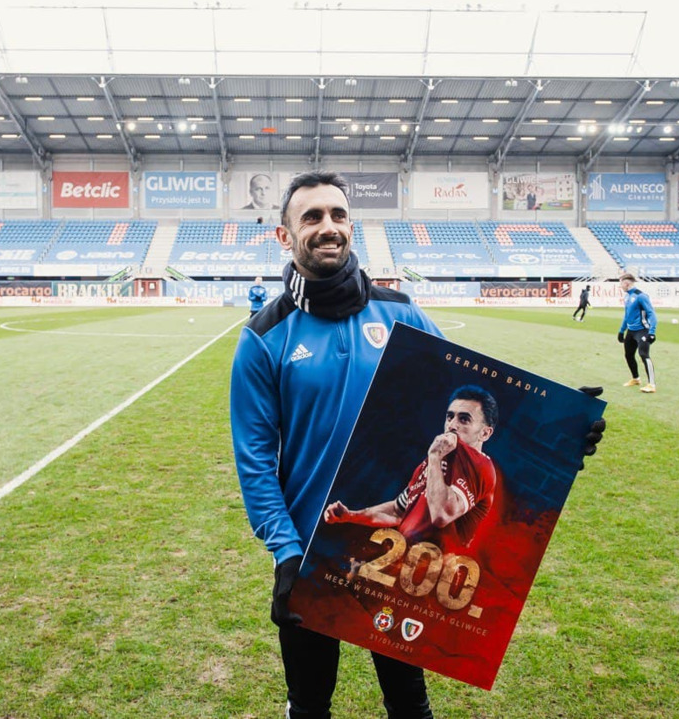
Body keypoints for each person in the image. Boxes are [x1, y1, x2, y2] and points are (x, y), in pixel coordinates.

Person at [231, 170, 606, 718]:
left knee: (409, 704)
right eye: (311, 217)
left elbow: (473, 391)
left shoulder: (400, 313)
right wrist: (286, 553)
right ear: (284, 236)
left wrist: (563, 427)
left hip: (403, 557)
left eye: (338, 215)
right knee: (309, 706)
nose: (328, 226)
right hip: (311, 553)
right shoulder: (264, 338)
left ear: (351, 226)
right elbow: (255, 464)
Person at [322, 385, 498, 551]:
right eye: (449, 417)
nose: (452, 425)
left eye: (464, 419)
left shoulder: (480, 465)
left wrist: (435, 456)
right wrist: (351, 516)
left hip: (440, 567)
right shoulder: (431, 464)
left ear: (485, 433)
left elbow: (441, 515)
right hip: (404, 562)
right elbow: (397, 510)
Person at [617, 272, 657, 393]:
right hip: (631, 331)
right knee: (628, 355)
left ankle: (651, 384)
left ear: (626, 283)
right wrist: (621, 331)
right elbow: (627, 315)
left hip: (642, 331)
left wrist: (652, 332)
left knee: (644, 354)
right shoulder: (627, 297)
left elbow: (651, 313)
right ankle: (636, 379)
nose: (620, 286)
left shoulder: (641, 296)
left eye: (621, 284)